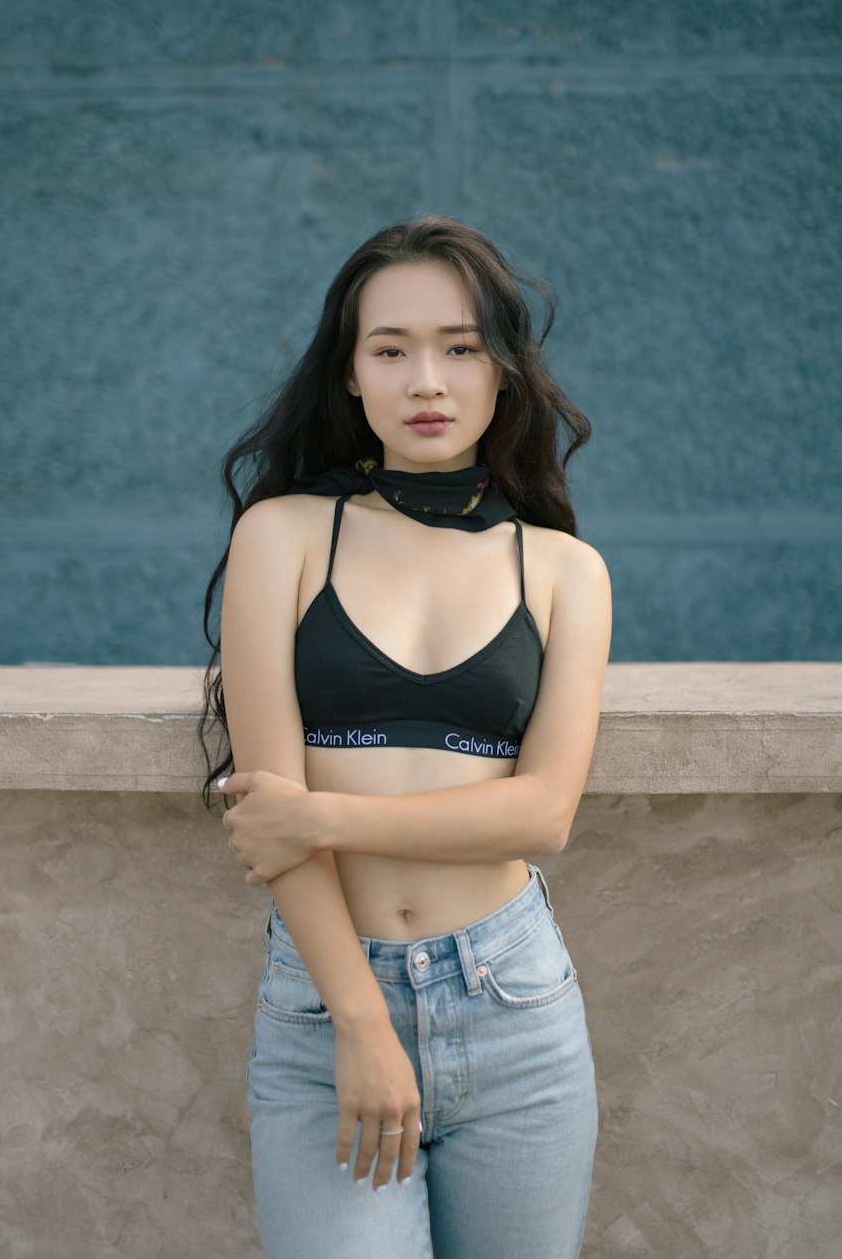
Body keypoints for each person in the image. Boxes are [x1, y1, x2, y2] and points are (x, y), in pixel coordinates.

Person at [200, 216, 612, 1259]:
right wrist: (363, 1023)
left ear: (504, 369)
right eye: (390, 349)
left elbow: (542, 813)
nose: (426, 379)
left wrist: (318, 815)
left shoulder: (563, 572)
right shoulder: (283, 536)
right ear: (348, 374)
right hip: (324, 1006)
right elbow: (265, 798)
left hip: (515, 1006)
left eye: (460, 347)